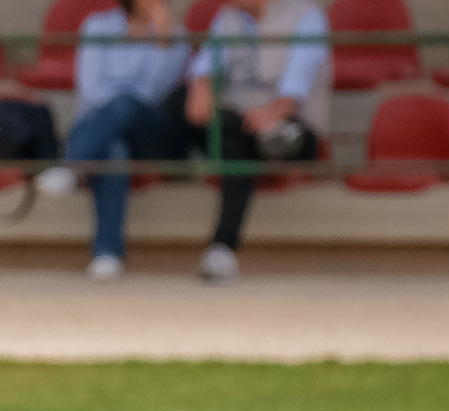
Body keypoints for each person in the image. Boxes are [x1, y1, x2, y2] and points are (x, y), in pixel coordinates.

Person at [173, 0, 329, 281]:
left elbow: (296, 84)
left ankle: (223, 247)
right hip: (241, 120)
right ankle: (222, 250)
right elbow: (207, 63)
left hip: (293, 122)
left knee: (239, 140)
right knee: (181, 103)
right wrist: (201, 85)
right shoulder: (228, 17)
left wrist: (271, 114)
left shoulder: (306, 17)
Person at [34, 0, 188, 279]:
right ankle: (107, 254)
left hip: (152, 134)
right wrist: (118, 110)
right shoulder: (98, 26)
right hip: (102, 128)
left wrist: (162, 45)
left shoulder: (174, 35)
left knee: (125, 104)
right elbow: (91, 90)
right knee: (114, 148)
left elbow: (155, 95)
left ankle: (69, 166)